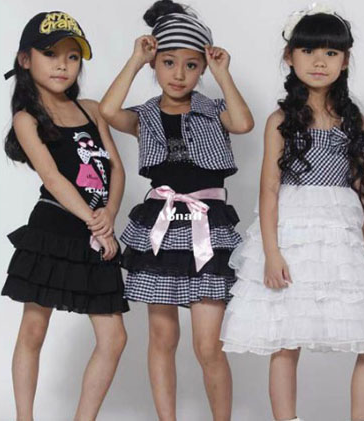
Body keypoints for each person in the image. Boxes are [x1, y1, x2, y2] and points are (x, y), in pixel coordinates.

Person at [220, 4, 364, 421]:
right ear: (290, 56)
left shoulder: (353, 120)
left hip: (340, 239)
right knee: (286, 338)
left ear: (345, 60)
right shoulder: (281, 120)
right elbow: (269, 191)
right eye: (309, 50)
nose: (319, 61)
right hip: (292, 236)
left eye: (331, 53)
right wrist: (272, 253)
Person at [99, 1, 254, 419]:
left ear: (202, 68)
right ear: (155, 64)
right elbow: (108, 111)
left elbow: (243, 123)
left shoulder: (213, 111)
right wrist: (136, 60)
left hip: (207, 224)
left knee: (208, 345)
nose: (179, 74)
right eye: (168, 62)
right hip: (161, 226)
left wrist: (222, 73)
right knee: (162, 337)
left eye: (191, 65)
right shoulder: (146, 115)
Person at [2, 11, 128, 421]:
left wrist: (109, 214)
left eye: (72, 57)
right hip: (53, 229)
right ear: (25, 59)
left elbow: (116, 168)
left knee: (114, 337)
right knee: (34, 329)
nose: (63, 65)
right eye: (51, 54)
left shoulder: (91, 110)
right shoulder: (27, 118)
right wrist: (95, 222)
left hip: (98, 230)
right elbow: (53, 178)